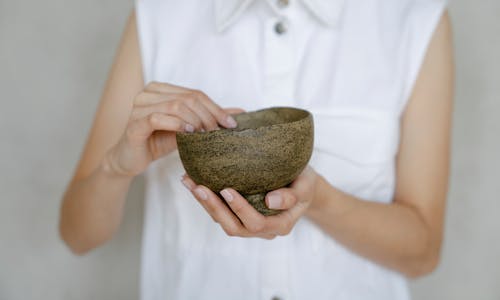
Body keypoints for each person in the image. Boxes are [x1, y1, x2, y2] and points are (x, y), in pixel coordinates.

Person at [59, 0, 454, 299]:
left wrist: (319, 201)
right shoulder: (162, 15)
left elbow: (423, 252)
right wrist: (116, 166)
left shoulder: (413, 19)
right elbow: (77, 235)